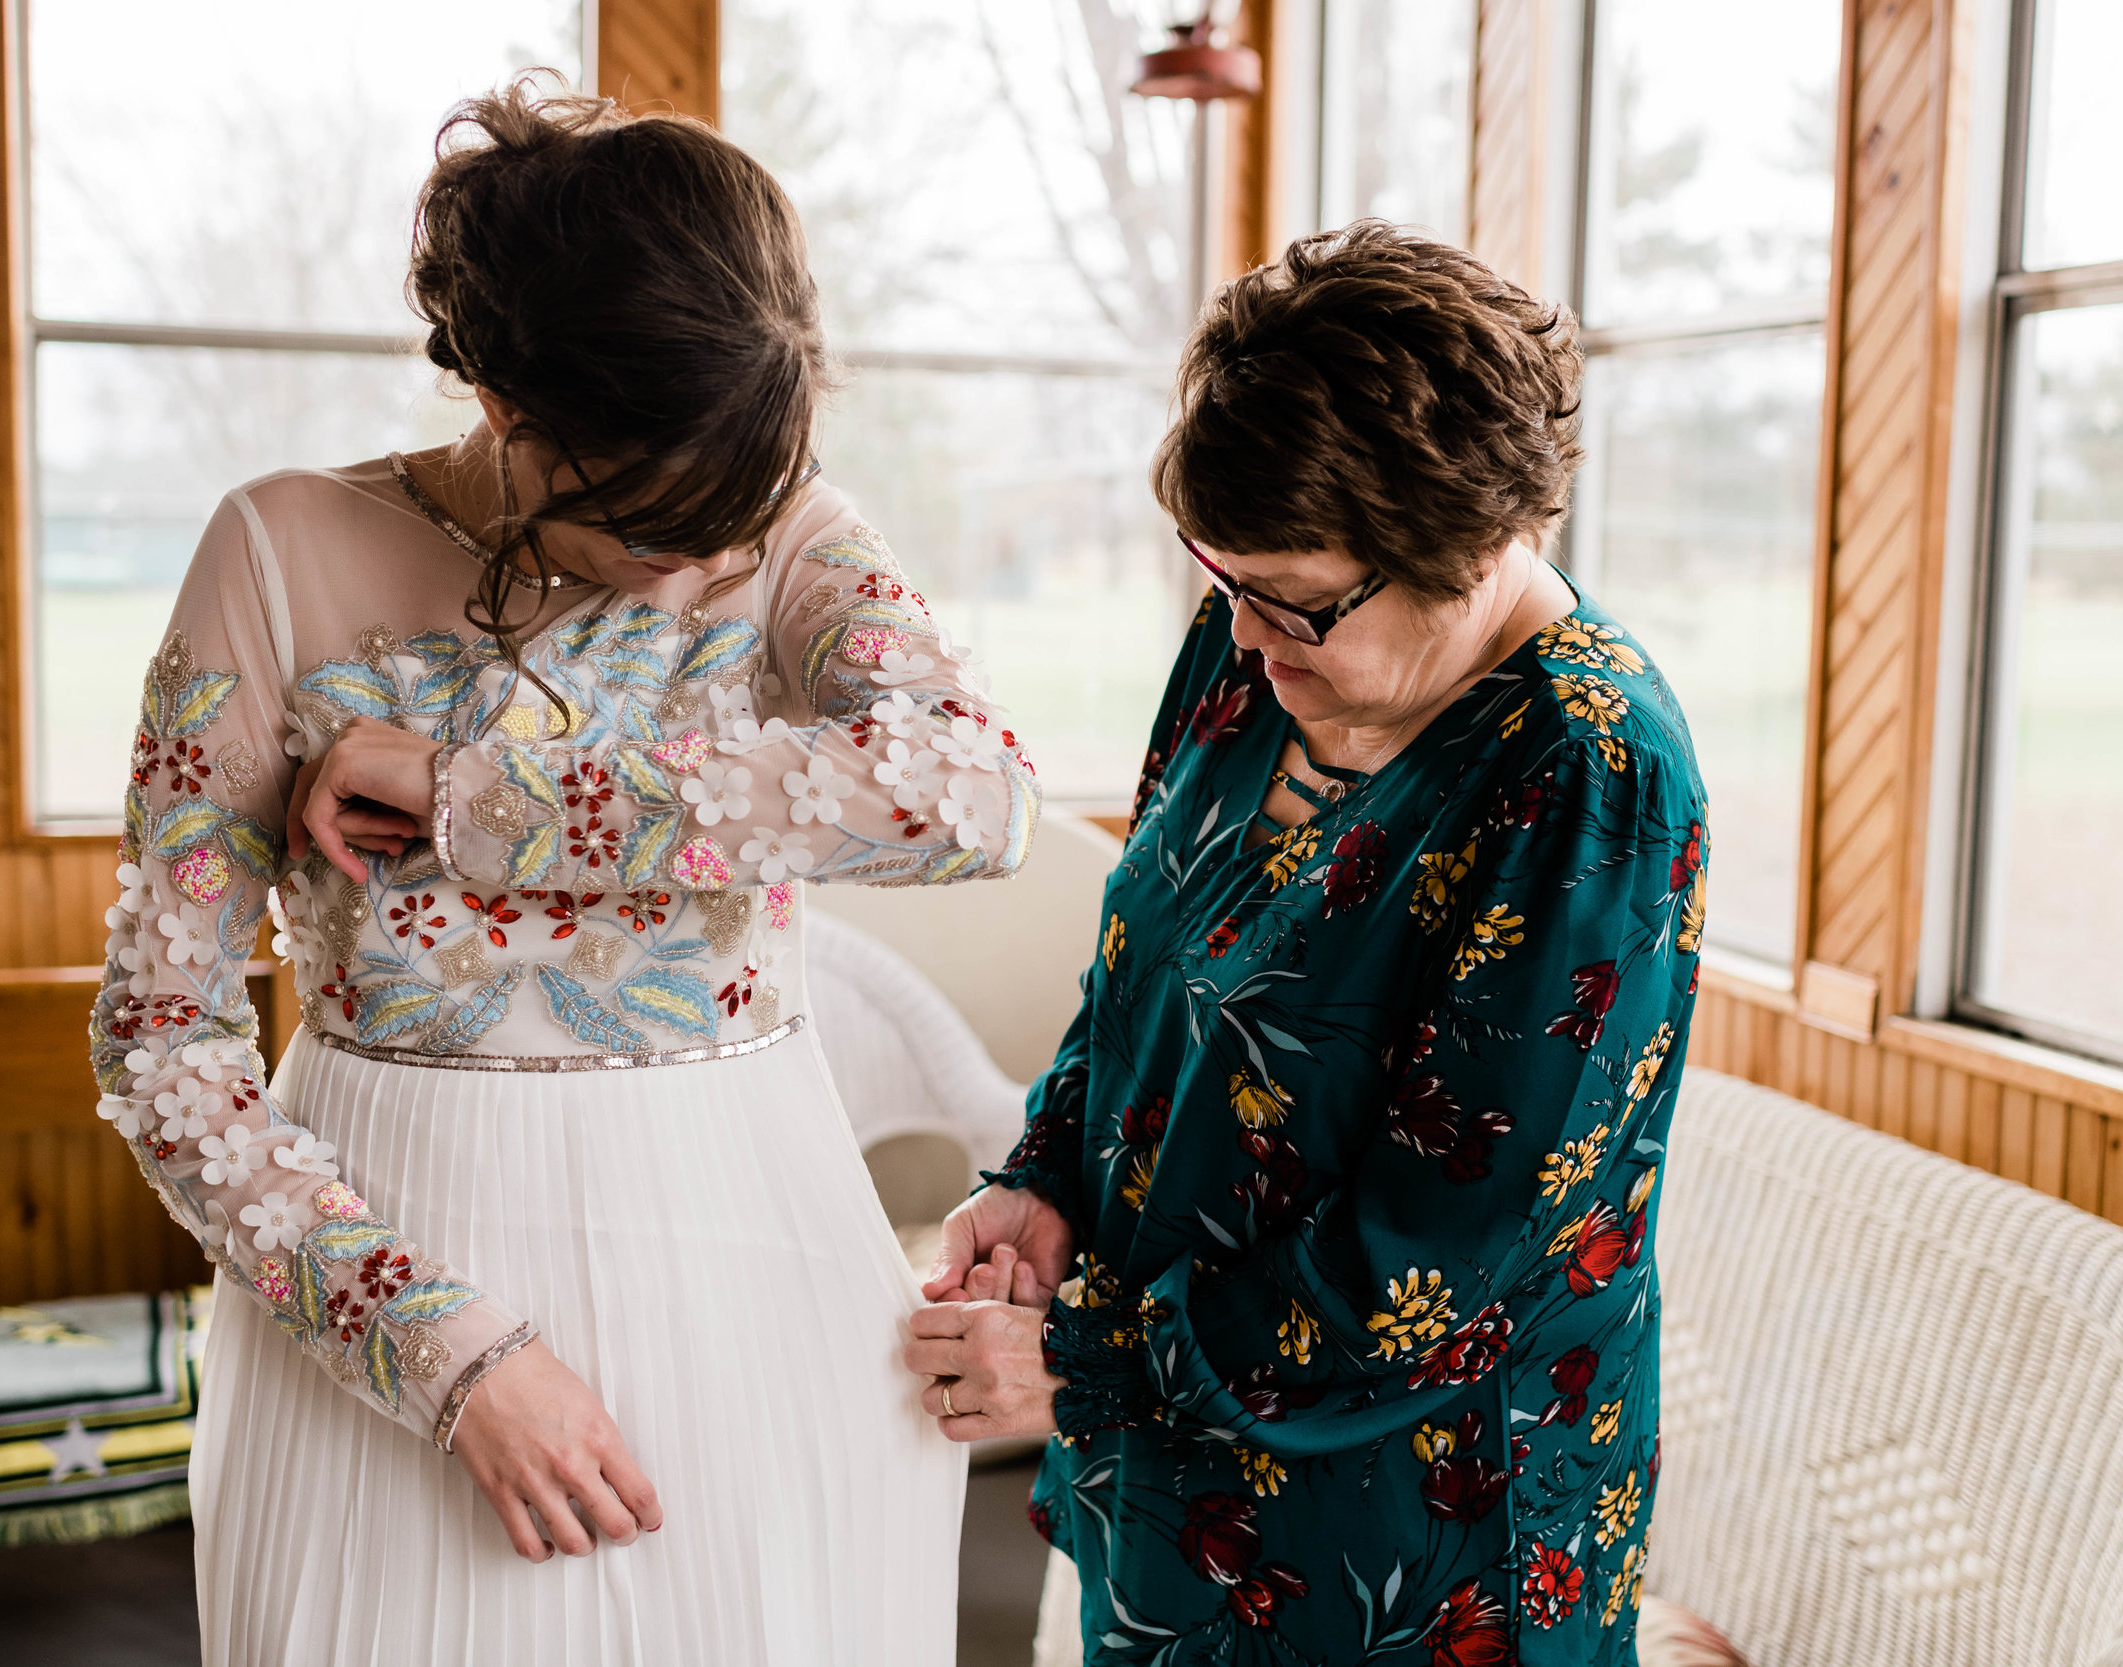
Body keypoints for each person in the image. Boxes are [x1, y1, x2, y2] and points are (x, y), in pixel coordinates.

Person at [88, 82, 1036, 1666]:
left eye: (726, 526)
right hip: (383, 1297)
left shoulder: (786, 531)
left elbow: (971, 795)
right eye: (645, 528)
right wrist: (435, 1352)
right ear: (510, 414)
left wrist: (476, 795)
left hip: (764, 1286)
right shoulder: (274, 552)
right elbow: (159, 1037)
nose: (694, 577)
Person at [912, 221, 1708, 1664]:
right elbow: (1142, 975)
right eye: (1219, 578)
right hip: (1175, 1474)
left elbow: (1443, 1246)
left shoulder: (1590, 773)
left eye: (1292, 596)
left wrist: (1084, 1366)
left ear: (1467, 544)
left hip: (1410, 1534)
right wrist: (1043, 1179)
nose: (1245, 628)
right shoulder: (1247, 653)